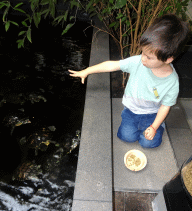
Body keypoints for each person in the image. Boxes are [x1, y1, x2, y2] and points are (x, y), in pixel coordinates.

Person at [68, 14, 189, 148]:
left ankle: (160, 126)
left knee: (149, 143)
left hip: (152, 114)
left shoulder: (172, 82)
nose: (142, 59)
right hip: (131, 111)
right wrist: (87, 70)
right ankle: (141, 127)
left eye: (149, 57)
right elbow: (112, 65)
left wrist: (154, 127)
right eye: (142, 53)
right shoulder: (137, 62)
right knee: (126, 137)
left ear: (168, 59)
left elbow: (165, 106)